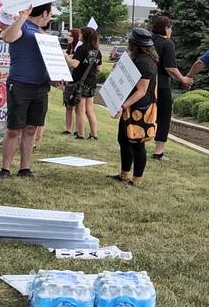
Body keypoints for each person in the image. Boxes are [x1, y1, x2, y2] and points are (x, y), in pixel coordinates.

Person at [0, 3, 59, 179]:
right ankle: (5, 168)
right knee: (14, 129)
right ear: (45, 13)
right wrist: (23, 16)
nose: (51, 17)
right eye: (50, 14)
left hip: (40, 86)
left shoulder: (43, 33)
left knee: (31, 128)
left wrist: (55, 76)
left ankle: (25, 167)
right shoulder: (22, 25)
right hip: (20, 84)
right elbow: (8, 38)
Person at [113, 26, 158, 186]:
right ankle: (124, 174)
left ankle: (136, 179)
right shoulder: (136, 58)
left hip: (140, 109)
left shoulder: (145, 63)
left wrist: (123, 105)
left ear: (134, 43)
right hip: (132, 107)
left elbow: (141, 91)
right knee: (124, 139)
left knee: (137, 142)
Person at [150, 14, 191, 160]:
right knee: (164, 117)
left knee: (144, 113)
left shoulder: (147, 41)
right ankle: (158, 151)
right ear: (166, 28)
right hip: (161, 86)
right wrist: (183, 79)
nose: (171, 31)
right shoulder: (167, 44)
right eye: (170, 28)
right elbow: (170, 68)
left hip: (145, 84)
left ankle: (137, 141)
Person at [66, 26, 102, 139]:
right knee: (90, 109)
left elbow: (74, 64)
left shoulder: (81, 49)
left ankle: (80, 134)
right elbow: (99, 69)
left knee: (81, 109)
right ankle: (94, 134)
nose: (79, 36)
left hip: (80, 82)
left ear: (85, 35)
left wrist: (66, 56)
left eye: (81, 34)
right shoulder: (97, 51)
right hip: (91, 82)